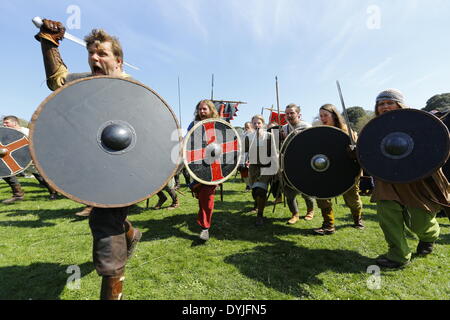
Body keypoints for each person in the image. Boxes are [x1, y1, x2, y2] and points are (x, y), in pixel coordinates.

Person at [35, 19, 142, 299]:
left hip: (124, 173)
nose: (94, 58)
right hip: (95, 169)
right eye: (91, 53)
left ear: (118, 60)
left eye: (102, 53)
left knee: (105, 228)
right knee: (109, 221)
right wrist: (49, 44)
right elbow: (57, 81)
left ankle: (112, 280)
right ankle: (130, 233)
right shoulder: (84, 83)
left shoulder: (133, 91)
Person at [371, 89, 449, 269]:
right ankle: (398, 255)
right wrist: (354, 151)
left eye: (389, 102)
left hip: (415, 180)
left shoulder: (417, 122)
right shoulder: (375, 128)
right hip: (387, 180)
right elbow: (368, 152)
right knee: (388, 216)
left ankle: (429, 236)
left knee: (420, 221)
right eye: (381, 104)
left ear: (399, 104)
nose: (385, 107)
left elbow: (437, 142)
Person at [313, 104, 364, 235]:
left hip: (347, 169)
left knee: (352, 198)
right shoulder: (319, 132)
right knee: (322, 194)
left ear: (334, 115)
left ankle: (358, 219)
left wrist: (354, 149)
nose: (323, 118)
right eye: (321, 116)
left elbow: (359, 152)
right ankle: (328, 225)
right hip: (327, 169)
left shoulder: (348, 131)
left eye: (326, 115)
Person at [2, 115, 57, 204]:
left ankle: (55, 192)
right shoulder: (7, 135)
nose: (4, 125)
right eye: (4, 123)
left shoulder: (27, 132)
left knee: (43, 179)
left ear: (15, 123)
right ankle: (18, 195)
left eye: (7, 122)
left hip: (33, 159)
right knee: (6, 172)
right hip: (18, 160)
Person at [187, 100, 220, 241]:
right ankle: (195, 188)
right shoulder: (193, 125)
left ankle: (205, 228)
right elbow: (188, 143)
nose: (202, 112)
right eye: (199, 109)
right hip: (198, 165)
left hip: (214, 166)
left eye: (204, 109)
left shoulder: (219, 125)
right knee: (201, 194)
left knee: (207, 197)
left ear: (211, 109)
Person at [280, 104, 315, 224]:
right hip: (288, 163)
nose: (289, 116)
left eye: (292, 113)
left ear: (298, 114)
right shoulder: (283, 128)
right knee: (289, 192)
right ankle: (295, 214)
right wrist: (281, 138)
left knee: (306, 190)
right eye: (287, 113)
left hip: (304, 163)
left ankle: (310, 211)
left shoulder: (306, 126)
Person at [246, 115, 279, 226]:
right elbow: (245, 152)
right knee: (255, 192)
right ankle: (256, 204)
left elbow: (274, 153)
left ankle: (260, 215)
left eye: (259, 123)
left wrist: (275, 168)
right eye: (254, 123)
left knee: (261, 190)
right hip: (253, 168)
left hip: (266, 167)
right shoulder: (249, 137)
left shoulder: (269, 136)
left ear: (263, 124)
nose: (257, 125)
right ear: (252, 124)